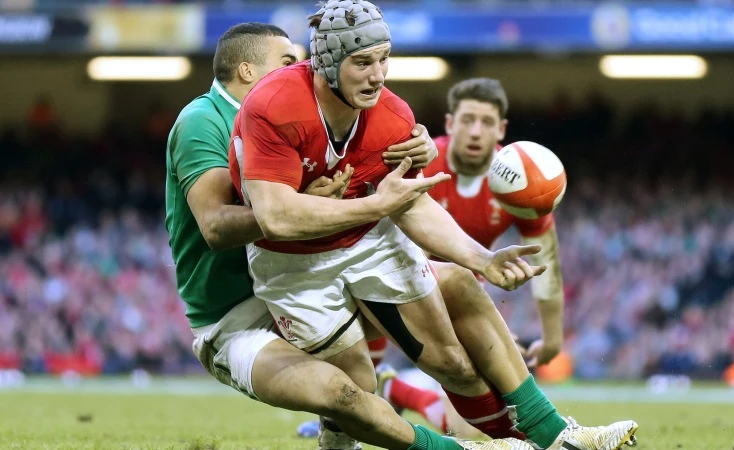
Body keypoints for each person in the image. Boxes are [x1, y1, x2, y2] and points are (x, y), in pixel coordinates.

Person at [231, 2, 638, 450]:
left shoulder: (392, 116)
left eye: (384, 58)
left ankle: (556, 438)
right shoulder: (273, 104)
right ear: (326, 63)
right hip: (292, 264)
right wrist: (375, 206)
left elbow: (411, 206)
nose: (378, 74)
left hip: (368, 241)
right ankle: (342, 435)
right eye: (362, 63)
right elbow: (275, 218)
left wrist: (482, 259)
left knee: (454, 364)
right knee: (355, 390)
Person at [164, 22, 521, 450]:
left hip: (307, 271)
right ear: (246, 71)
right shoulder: (205, 120)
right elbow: (217, 226)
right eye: (287, 61)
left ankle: (541, 430)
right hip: (237, 316)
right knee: (347, 393)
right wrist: (295, 206)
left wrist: (421, 143)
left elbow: (367, 154)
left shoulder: (301, 114)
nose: (300, 70)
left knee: (456, 284)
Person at [372, 78, 568, 438]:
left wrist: (553, 338)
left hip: (461, 299)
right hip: (393, 283)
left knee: (472, 433)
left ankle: (395, 390)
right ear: (449, 124)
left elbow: (548, 262)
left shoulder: (523, 179)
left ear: (502, 129)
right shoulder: (420, 164)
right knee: (358, 379)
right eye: (467, 120)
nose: (476, 132)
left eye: (487, 122)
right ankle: (364, 396)